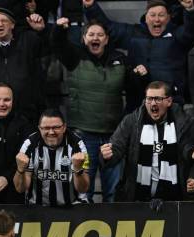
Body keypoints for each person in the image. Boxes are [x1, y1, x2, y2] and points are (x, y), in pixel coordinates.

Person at [52, 17, 148, 203]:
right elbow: (57, 45)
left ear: (106, 39)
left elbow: (134, 90)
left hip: (114, 136)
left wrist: (141, 76)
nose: (95, 38)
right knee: (83, 192)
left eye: (100, 35)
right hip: (83, 135)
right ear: (84, 38)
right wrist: (59, 29)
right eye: (91, 34)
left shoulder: (120, 59)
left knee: (113, 191)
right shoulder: (75, 57)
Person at [83, 0, 194, 108]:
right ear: (146, 18)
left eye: (161, 15)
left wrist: (190, 10)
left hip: (170, 101)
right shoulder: (134, 33)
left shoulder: (177, 35)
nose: (157, 19)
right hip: (138, 102)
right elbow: (110, 29)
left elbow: (190, 31)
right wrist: (91, 6)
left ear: (168, 18)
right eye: (152, 15)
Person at [99, 81, 194, 202]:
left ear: (169, 101)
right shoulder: (131, 121)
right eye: (149, 99)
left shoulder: (183, 122)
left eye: (158, 99)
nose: (153, 103)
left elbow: (190, 150)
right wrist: (107, 155)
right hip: (138, 199)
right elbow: (116, 148)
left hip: (174, 200)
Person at [13, 108, 90, 206]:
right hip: (38, 207)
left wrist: (78, 170)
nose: (51, 132)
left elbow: (83, 189)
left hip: (72, 206)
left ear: (64, 127)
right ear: (39, 128)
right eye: (46, 128)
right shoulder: (29, 145)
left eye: (56, 127)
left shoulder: (78, 145)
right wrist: (20, 170)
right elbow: (20, 189)